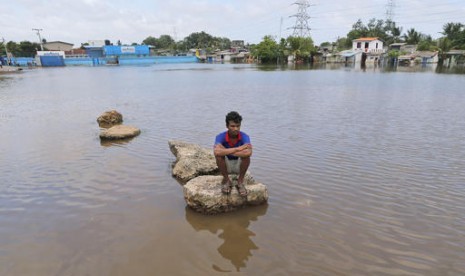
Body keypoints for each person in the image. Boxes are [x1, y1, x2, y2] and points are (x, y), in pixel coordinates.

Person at [214, 111, 252, 196]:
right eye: (232, 126)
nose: (236, 129)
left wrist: (226, 151)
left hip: (239, 165)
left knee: (247, 157)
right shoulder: (220, 136)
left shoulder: (245, 136)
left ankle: (240, 182)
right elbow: (216, 152)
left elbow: (249, 152)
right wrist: (238, 149)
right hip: (226, 165)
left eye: (238, 126)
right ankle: (227, 180)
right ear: (227, 126)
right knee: (219, 157)